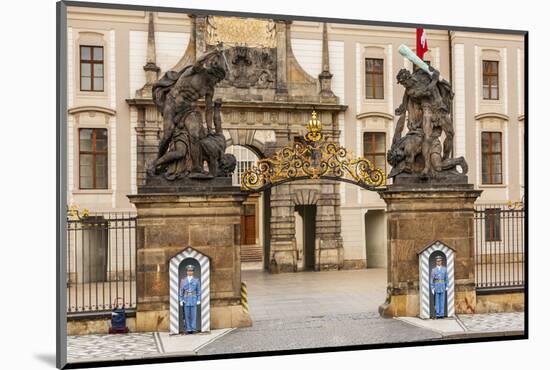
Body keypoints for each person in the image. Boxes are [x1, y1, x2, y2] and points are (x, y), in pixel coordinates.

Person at [179, 265, 201, 334]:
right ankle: (188, 329)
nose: (190, 272)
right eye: (188, 271)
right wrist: (181, 299)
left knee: (193, 315)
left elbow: (198, 291)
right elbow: (181, 291)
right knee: (187, 315)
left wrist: (198, 299)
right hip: (186, 299)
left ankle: (193, 329)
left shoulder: (196, 280)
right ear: (186, 272)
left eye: (191, 271)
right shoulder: (183, 281)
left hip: (193, 299)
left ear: (193, 272)